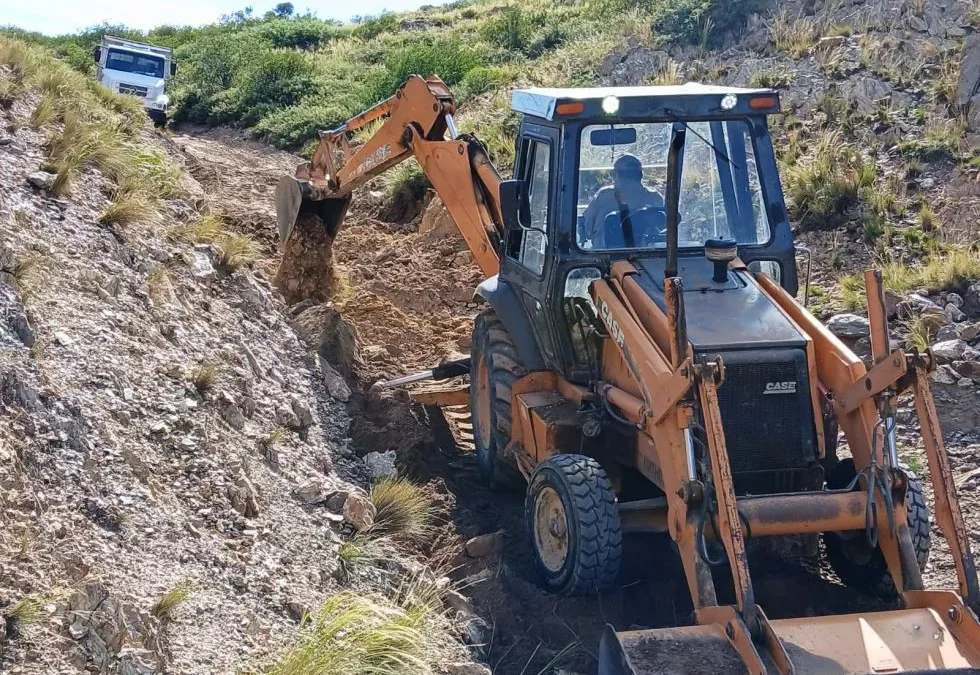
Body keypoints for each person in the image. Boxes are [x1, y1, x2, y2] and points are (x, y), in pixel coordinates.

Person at [581, 154, 664, 249]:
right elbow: (660, 230)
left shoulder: (604, 196)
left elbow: (587, 228)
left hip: (603, 257)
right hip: (644, 258)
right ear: (640, 175)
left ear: (616, 175)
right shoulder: (655, 198)